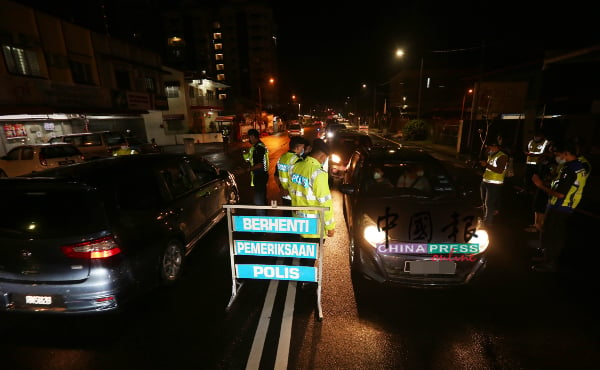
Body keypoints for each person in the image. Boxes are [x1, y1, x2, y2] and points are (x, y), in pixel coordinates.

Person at [531, 139, 588, 272]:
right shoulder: (574, 165)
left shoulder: (572, 169)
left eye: (558, 154)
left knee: (554, 235)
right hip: (560, 205)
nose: (556, 157)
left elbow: (561, 194)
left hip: (562, 206)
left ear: (566, 153)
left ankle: (550, 262)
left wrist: (540, 185)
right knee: (550, 232)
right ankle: (547, 258)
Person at [288, 138, 335, 280]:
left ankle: (303, 277)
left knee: (304, 252)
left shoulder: (295, 167)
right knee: (310, 256)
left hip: (297, 220)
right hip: (313, 225)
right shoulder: (318, 173)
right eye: (325, 159)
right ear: (323, 156)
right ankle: (306, 282)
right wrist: (330, 226)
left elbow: (291, 191)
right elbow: (325, 203)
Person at [479, 139, 509, 226]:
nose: (488, 148)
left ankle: (487, 222)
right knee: (484, 201)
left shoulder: (502, 156)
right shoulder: (491, 154)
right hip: (485, 181)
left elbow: (500, 170)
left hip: (494, 183)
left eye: (489, 147)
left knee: (489, 203)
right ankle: (487, 217)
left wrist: (487, 165)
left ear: (495, 147)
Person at [274, 136, 306, 215]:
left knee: (286, 215)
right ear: (298, 147)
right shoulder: (297, 160)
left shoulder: (282, 158)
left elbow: (276, 175)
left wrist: (281, 188)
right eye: (302, 147)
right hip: (294, 196)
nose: (303, 149)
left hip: (284, 195)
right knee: (295, 219)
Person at [242, 128, 269, 216]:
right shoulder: (255, 147)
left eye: (249, 137)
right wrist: (245, 154)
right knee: (261, 198)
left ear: (253, 136)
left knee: (259, 200)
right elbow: (249, 160)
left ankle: (261, 220)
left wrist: (247, 170)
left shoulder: (259, 148)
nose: (248, 139)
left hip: (260, 176)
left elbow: (260, 164)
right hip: (260, 176)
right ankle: (262, 217)